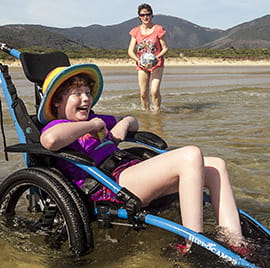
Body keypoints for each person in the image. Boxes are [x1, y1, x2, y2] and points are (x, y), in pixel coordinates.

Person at [37, 64, 248, 254]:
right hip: (107, 185)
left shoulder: (95, 118)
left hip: (128, 170)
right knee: (190, 154)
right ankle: (193, 245)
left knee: (216, 166)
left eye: (87, 93)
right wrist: (92, 126)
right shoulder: (58, 126)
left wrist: (123, 124)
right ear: (57, 101)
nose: (86, 99)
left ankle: (234, 243)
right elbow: (49, 140)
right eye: (77, 94)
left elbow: (132, 120)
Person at [126, 3, 168, 111]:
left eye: (148, 14)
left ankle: (156, 112)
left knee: (154, 91)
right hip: (142, 64)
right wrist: (138, 60)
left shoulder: (158, 29)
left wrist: (157, 57)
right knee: (143, 93)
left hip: (156, 64)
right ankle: (146, 112)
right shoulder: (135, 31)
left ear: (152, 15)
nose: (145, 17)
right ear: (139, 16)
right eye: (142, 15)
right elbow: (130, 51)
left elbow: (165, 48)